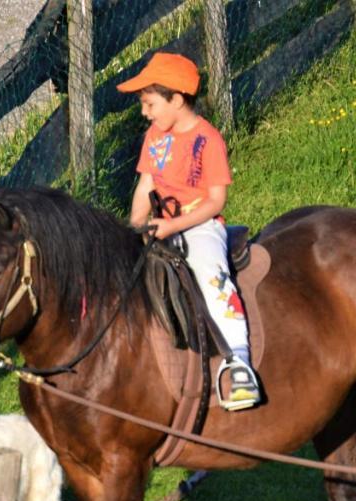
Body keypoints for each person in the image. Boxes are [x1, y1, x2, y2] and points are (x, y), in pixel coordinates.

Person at [118, 51, 261, 411]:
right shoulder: (155, 136)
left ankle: (239, 364)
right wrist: (133, 230)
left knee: (213, 278)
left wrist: (173, 225)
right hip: (160, 224)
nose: (144, 112)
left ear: (177, 99)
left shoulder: (208, 140)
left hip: (200, 226)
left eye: (149, 104)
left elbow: (216, 201)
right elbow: (144, 186)